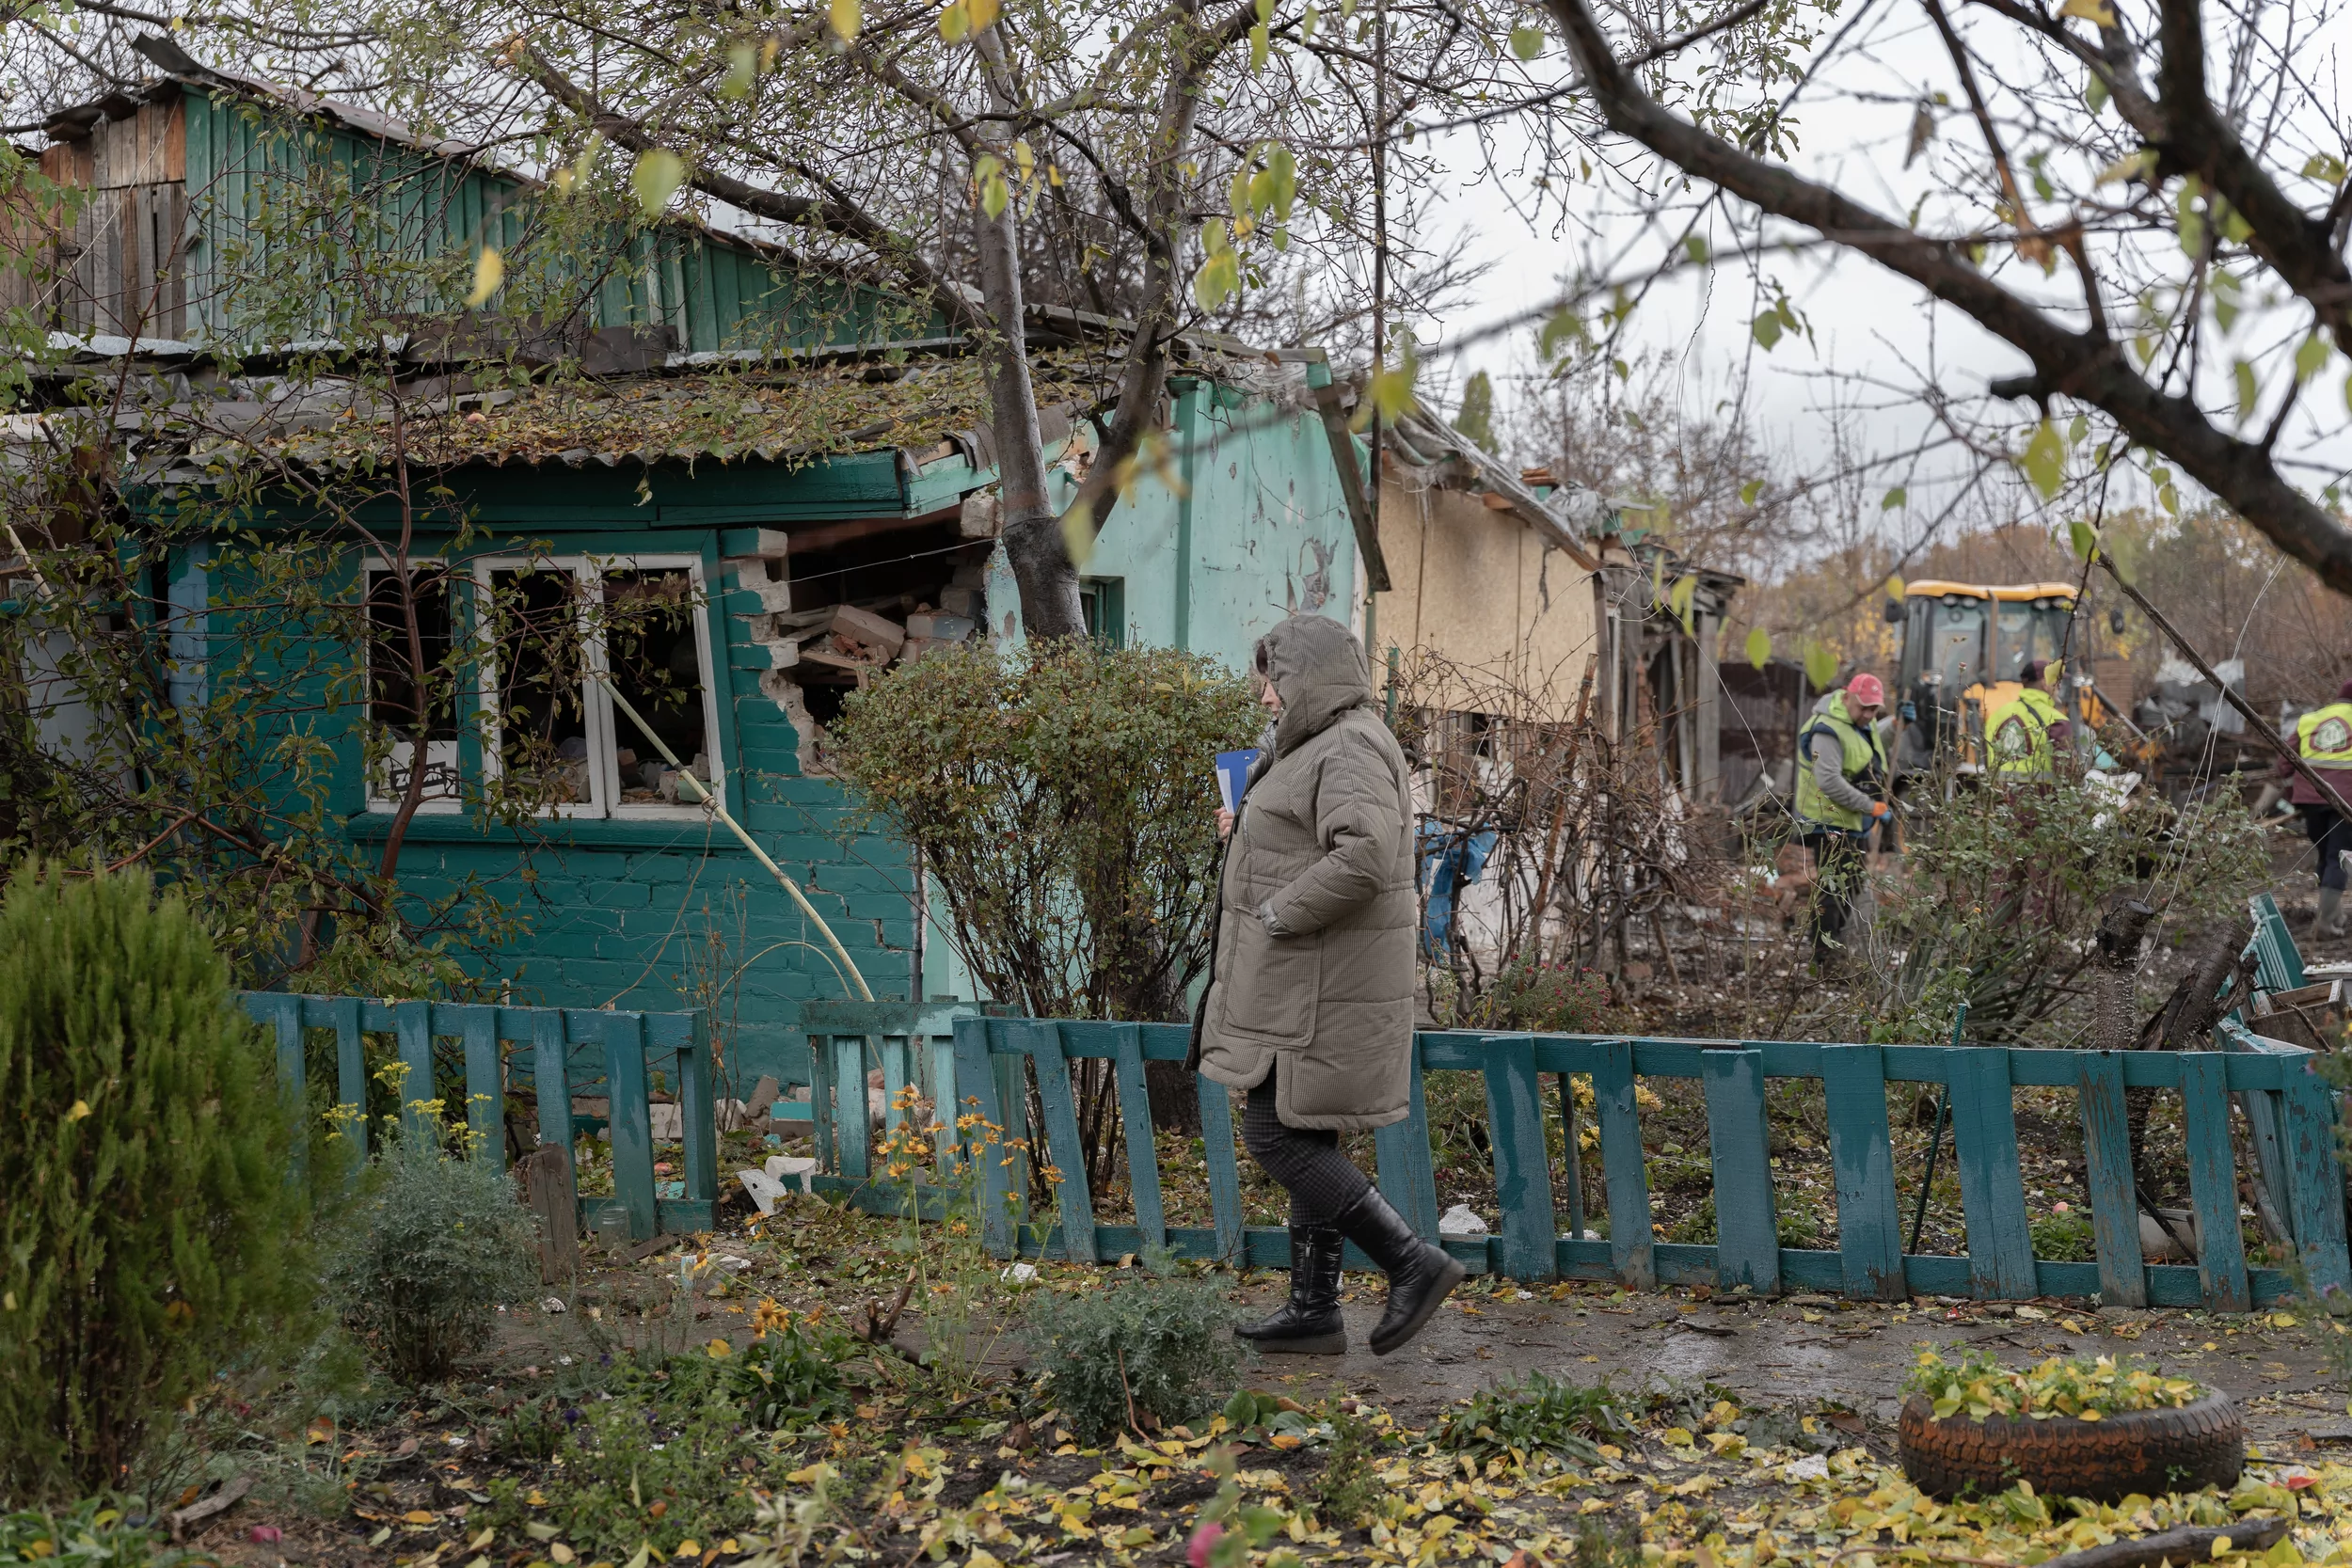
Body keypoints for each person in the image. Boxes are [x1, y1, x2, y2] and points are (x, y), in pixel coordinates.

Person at [1193, 612, 1462, 1357]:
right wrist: (1243, 830)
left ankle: (1412, 1260)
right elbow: (1307, 837)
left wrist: (1279, 908)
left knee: (1275, 1132)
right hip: (1306, 979)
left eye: (1273, 682)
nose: (1267, 698)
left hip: (1321, 981)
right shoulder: (1317, 744)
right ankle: (1314, 1309)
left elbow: (1367, 855)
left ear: (1307, 677)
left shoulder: (1347, 744)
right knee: (1302, 1122)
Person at [1793, 673, 1892, 966]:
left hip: (1851, 820)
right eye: (1864, 708)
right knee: (1833, 889)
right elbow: (1830, 783)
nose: (1869, 715)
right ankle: (1823, 957)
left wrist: (1897, 726)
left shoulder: (1859, 719)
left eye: (1875, 710)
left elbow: (1866, 746)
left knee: (1850, 884)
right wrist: (1871, 807)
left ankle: (1832, 946)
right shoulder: (1827, 730)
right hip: (1829, 820)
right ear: (1847, 697)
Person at [2284, 678, 2352, 937]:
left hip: (2309, 800)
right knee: (2339, 857)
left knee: (2326, 855)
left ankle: (2332, 914)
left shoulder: (2310, 719)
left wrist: (2292, 789)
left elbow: (2283, 760)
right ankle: (2324, 922)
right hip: (2344, 801)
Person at [1986, 658, 2073, 778]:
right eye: (2057, 682)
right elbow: (2067, 772)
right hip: (2039, 794)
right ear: (2045, 684)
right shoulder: (2056, 720)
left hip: (1998, 794)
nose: (2059, 686)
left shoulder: (1997, 715)